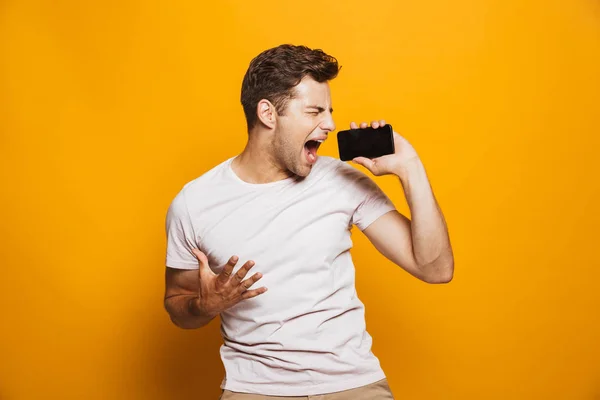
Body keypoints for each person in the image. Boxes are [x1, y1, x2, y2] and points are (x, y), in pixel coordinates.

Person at [163, 44, 454, 400]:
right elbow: (178, 302)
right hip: (253, 390)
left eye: (329, 111)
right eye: (315, 111)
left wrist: (410, 169)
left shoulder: (343, 181)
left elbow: (436, 269)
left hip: (352, 386)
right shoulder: (194, 203)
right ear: (268, 114)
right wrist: (204, 306)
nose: (329, 124)